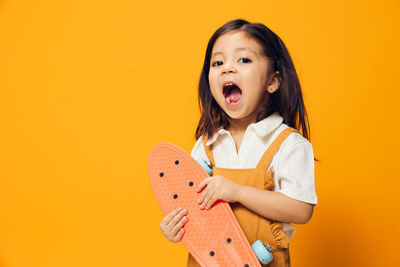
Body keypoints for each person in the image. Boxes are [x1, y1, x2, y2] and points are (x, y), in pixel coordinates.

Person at [159, 19, 317, 267]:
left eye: (243, 60)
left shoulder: (289, 144)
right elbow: (193, 206)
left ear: (272, 81)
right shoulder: (207, 144)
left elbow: (301, 209)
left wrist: (236, 192)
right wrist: (177, 226)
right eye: (218, 62)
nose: (227, 69)